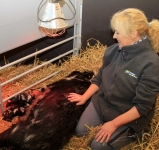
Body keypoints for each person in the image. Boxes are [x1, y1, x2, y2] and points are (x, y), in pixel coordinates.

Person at [68, 8, 159, 150]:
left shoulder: (151, 63)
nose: (115, 36)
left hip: (128, 113)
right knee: (81, 131)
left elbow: (143, 106)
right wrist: (84, 97)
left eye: (118, 32)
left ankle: (134, 134)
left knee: (98, 146)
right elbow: (99, 79)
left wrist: (114, 124)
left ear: (133, 34)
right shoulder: (113, 50)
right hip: (104, 103)